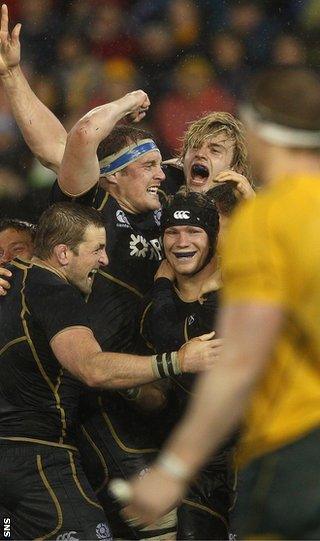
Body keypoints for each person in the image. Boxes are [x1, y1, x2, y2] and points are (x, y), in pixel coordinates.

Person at [115, 67, 320, 540]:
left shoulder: (265, 220)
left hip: (295, 448)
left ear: (260, 133)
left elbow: (240, 360)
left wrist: (173, 467)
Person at [0, 201, 218, 539]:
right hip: (38, 458)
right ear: (62, 254)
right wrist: (178, 360)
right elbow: (92, 369)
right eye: (98, 249)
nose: (105, 260)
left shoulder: (10, 285)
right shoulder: (53, 291)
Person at [140, 190, 236, 540]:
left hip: (253, 454)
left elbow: (173, 335)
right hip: (199, 466)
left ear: (213, 238)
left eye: (194, 231)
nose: (181, 241)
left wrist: (162, 284)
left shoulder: (235, 290)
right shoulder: (154, 302)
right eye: (172, 232)